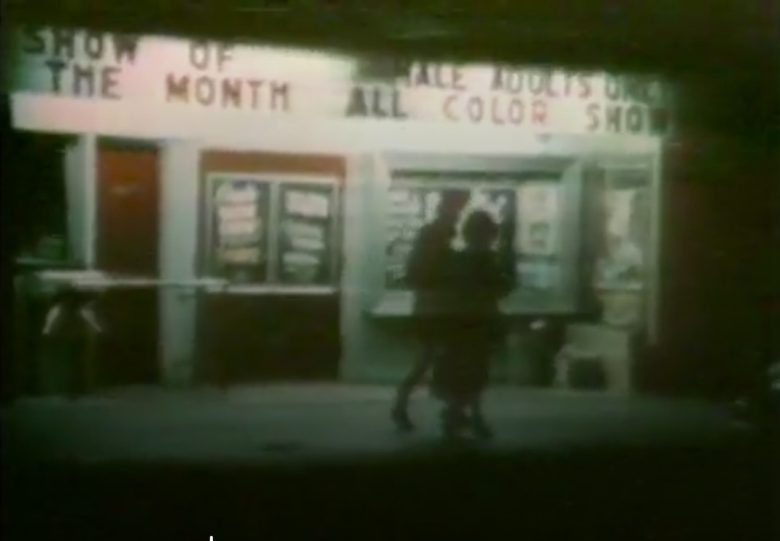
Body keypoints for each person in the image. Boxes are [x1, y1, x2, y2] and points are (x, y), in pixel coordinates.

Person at [391, 190, 470, 431]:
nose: (457, 217)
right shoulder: (436, 238)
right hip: (436, 308)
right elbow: (427, 273)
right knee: (433, 359)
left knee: (429, 359)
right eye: (456, 210)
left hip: (431, 308)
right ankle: (448, 409)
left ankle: (444, 408)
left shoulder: (434, 236)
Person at [432, 210, 514, 439]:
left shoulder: (457, 259)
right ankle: (465, 415)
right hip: (479, 322)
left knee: (459, 370)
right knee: (475, 371)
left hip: (457, 322)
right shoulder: (486, 259)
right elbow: (502, 287)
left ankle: (459, 414)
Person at [41, 285, 103, 398]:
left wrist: (48, 333)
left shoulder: (62, 309)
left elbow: (51, 325)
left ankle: (74, 388)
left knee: (72, 364)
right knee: (77, 364)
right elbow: (92, 323)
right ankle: (78, 388)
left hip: (70, 339)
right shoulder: (75, 310)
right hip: (76, 339)